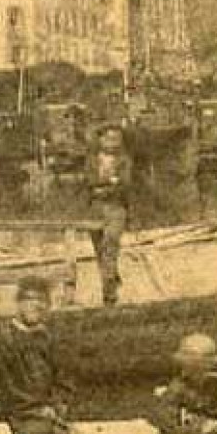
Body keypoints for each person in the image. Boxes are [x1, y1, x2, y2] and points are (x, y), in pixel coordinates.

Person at [0, 277, 74, 434]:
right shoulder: (5, 340)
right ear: (19, 303)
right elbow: (4, 390)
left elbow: (63, 380)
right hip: (20, 417)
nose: (38, 306)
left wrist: (58, 406)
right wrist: (37, 410)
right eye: (31, 300)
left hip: (49, 414)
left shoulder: (48, 339)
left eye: (43, 301)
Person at [86, 125, 133, 305]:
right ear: (100, 140)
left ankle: (109, 292)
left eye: (116, 139)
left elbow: (124, 184)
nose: (112, 143)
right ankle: (111, 276)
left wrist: (102, 188)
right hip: (95, 209)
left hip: (116, 208)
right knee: (99, 248)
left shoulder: (124, 161)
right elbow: (89, 181)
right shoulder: (92, 160)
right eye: (108, 138)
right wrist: (108, 182)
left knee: (110, 243)